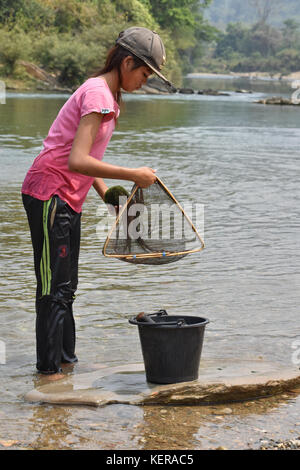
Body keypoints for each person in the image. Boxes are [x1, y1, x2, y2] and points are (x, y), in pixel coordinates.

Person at [22, 27, 172, 380]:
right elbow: (76, 160)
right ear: (127, 61)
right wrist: (131, 175)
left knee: (66, 287)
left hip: (68, 198)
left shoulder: (108, 96)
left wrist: (106, 193)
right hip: (48, 194)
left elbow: (86, 159)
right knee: (52, 288)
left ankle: (66, 363)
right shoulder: (97, 94)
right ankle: (48, 372)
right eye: (144, 73)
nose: (144, 81)